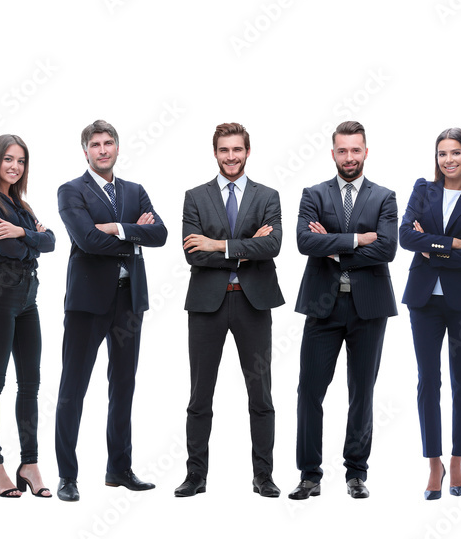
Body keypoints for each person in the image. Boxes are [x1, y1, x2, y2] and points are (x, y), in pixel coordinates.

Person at [54, 120, 167, 501]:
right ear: (85, 151)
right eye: (96, 144)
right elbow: (85, 240)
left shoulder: (135, 191)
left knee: (124, 386)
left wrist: (117, 227)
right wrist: (135, 233)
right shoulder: (71, 190)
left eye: (109, 143)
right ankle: (67, 476)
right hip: (88, 304)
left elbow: (162, 235)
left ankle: (119, 468)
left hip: (128, 301)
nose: (103, 150)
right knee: (73, 388)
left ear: (117, 147)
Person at [289, 121, 398, 500]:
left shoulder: (384, 197)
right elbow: (304, 241)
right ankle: (309, 475)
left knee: (361, 392)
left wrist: (331, 246)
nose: (349, 157)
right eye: (342, 150)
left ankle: (356, 472)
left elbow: (387, 249)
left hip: (369, 307)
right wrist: (355, 239)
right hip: (323, 306)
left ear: (366, 152)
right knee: (309, 392)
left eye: (356, 150)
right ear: (332, 152)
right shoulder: (314, 194)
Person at [174, 123, 283, 498]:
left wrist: (217, 244)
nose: (231, 157)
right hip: (207, 305)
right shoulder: (194, 197)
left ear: (247, 151)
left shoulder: (268, 195)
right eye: (224, 150)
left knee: (261, 395)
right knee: (200, 395)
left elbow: (272, 247)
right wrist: (242, 246)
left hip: (254, 304)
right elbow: (192, 252)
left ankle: (264, 476)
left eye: (237, 149)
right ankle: (196, 476)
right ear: (215, 152)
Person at [399, 128, 461, 500]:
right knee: (428, 382)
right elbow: (406, 237)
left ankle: (457, 459)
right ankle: (433, 462)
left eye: (456, 152)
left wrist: (431, 246)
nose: (448, 160)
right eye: (442, 154)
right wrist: (453, 243)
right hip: (424, 300)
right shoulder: (423, 189)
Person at [0, 134, 55, 498]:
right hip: (0, 298)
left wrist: (24, 231)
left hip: (29, 299)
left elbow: (52, 240)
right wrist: (30, 241)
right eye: (8, 159)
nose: (14, 166)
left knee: (31, 384)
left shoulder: (21, 206)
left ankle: (30, 463)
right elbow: (4, 247)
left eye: (21, 160)